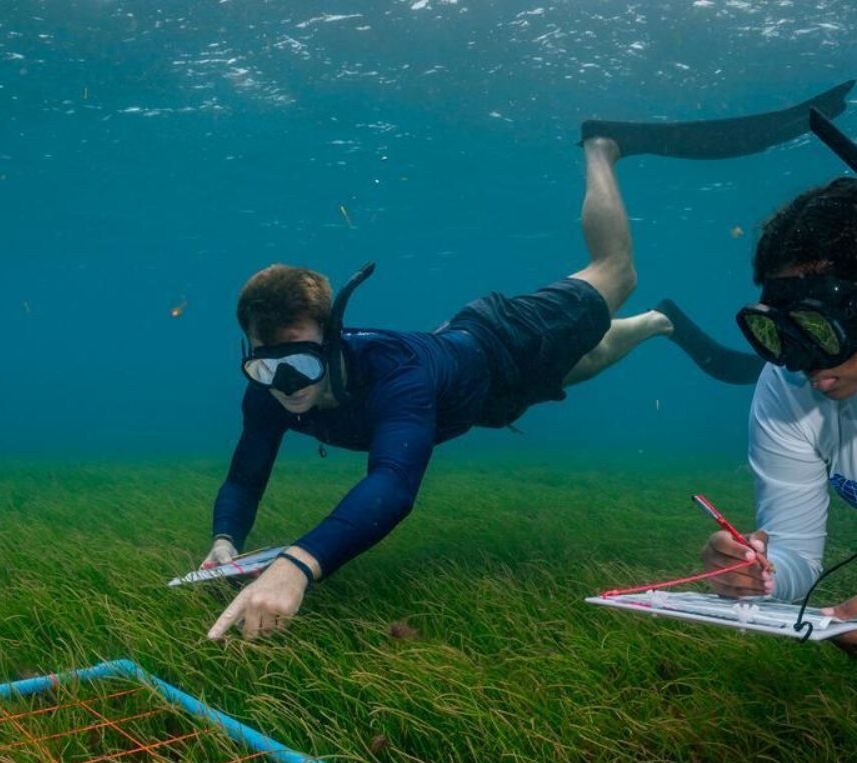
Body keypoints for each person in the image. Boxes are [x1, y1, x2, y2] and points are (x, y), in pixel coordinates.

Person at [204, 83, 854, 640]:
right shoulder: (267, 389)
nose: (285, 388)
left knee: (615, 273)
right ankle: (657, 324)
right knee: (586, 361)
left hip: (504, 337)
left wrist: (297, 564)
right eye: (267, 370)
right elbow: (245, 473)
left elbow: (392, 486)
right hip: (485, 398)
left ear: (334, 343)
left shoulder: (396, 375)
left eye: (300, 368)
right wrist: (225, 543)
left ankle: (602, 148)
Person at [699, 170, 857, 653]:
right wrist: (757, 572)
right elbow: (796, 554)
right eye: (781, 334)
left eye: (819, 329)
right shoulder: (788, 387)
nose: (804, 364)